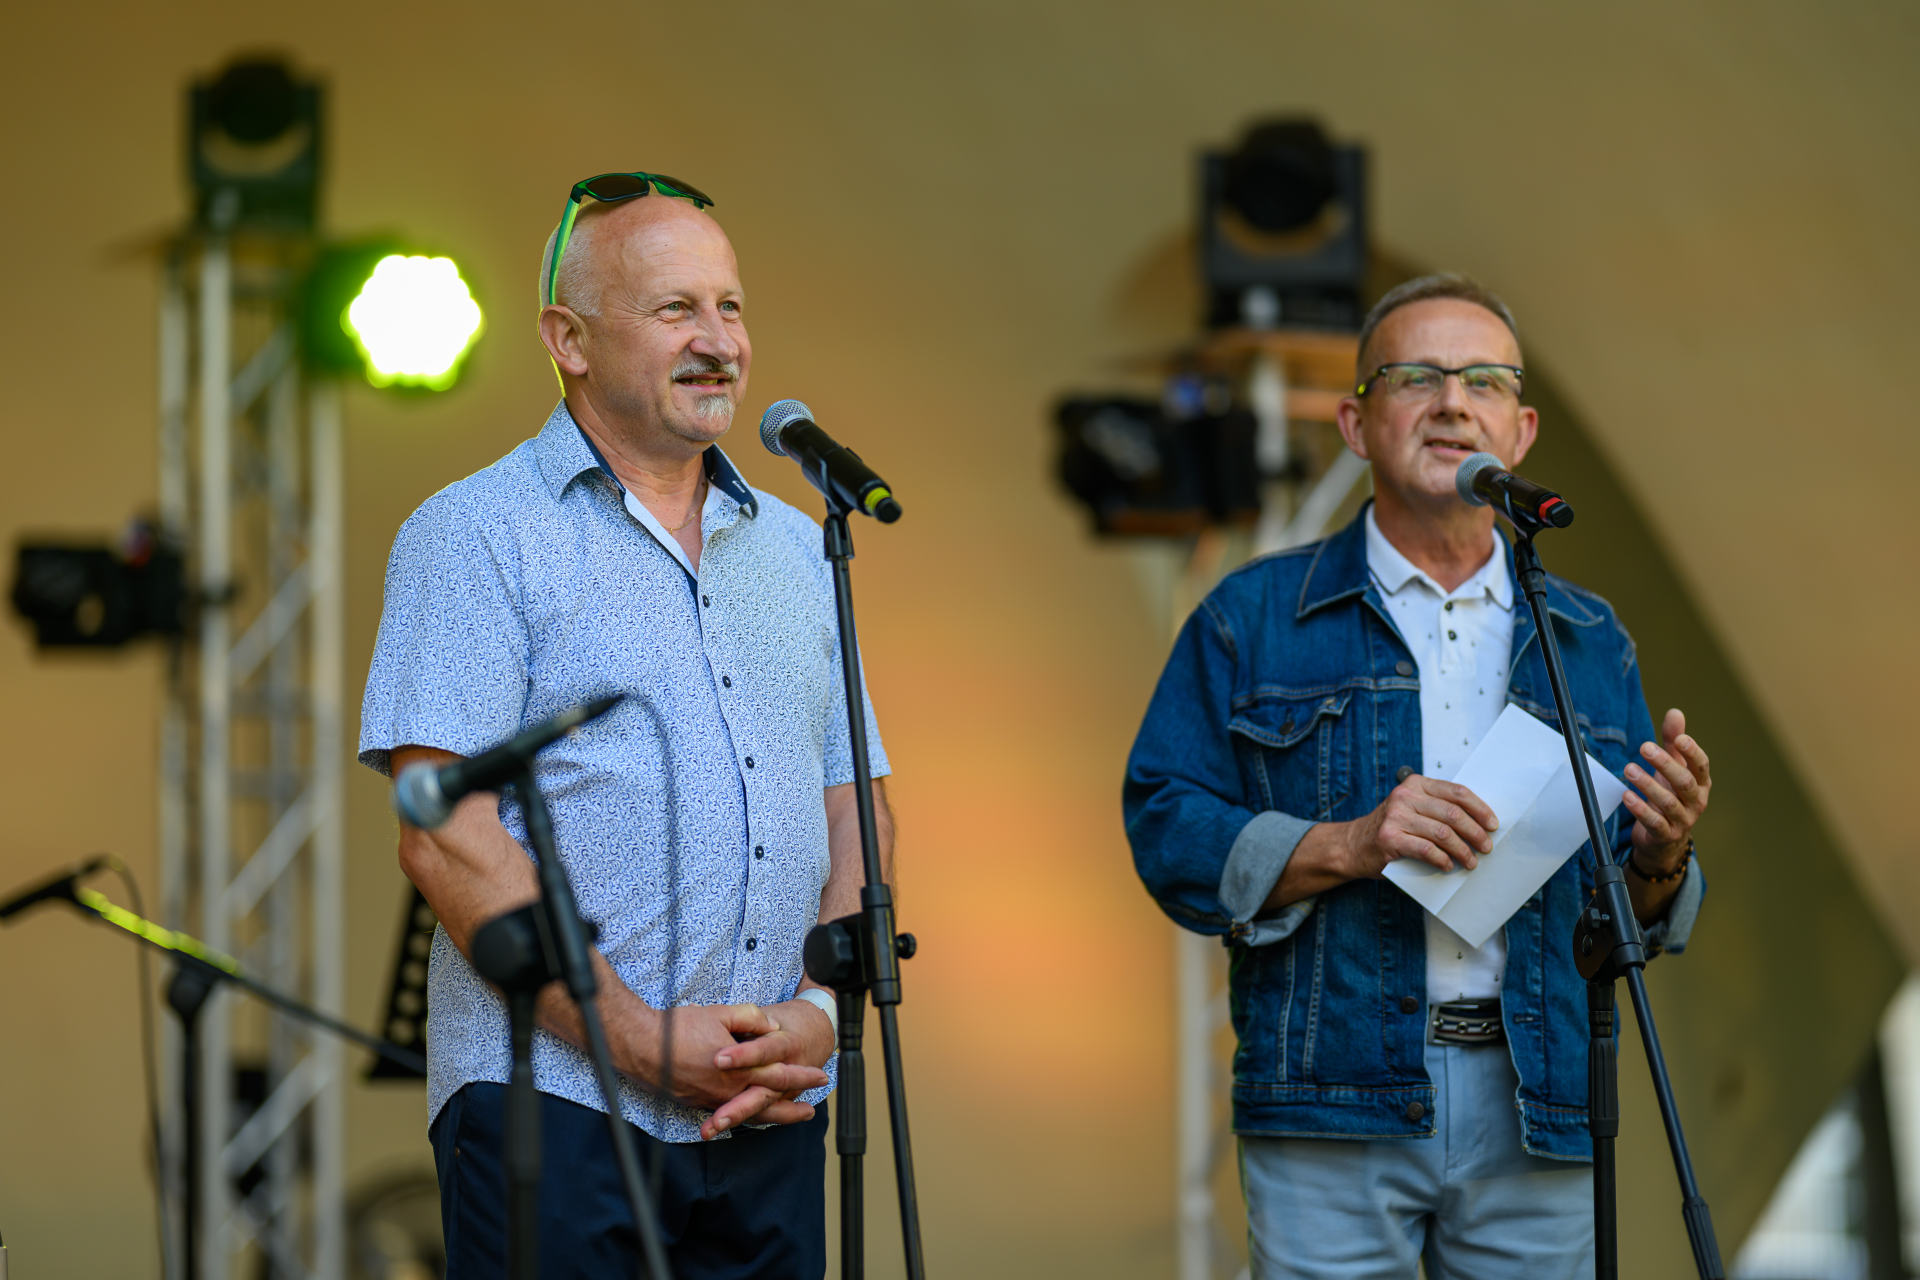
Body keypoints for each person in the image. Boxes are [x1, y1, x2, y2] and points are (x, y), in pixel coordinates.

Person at [359, 171, 891, 1279]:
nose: (719, 342)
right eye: (675, 310)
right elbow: (442, 832)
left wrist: (818, 1011)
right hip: (555, 1099)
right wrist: (639, 1039)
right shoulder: (476, 532)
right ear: (569, 339)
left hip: (767, 1101)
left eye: (730, 307)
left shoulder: (799, 547)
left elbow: (858, 807)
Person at [1124, 274, 1710, 1279]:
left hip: (1542, 1101)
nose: (1452, 402)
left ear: (1520, 430)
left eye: (1484, 381)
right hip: (1330, 1095)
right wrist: (1347, 843)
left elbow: (1626, 914)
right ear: (1356, 423)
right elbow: (1166, 824)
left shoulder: (1588, 635)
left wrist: (1664, 852)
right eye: (1417, 377)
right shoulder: (1250, 616)